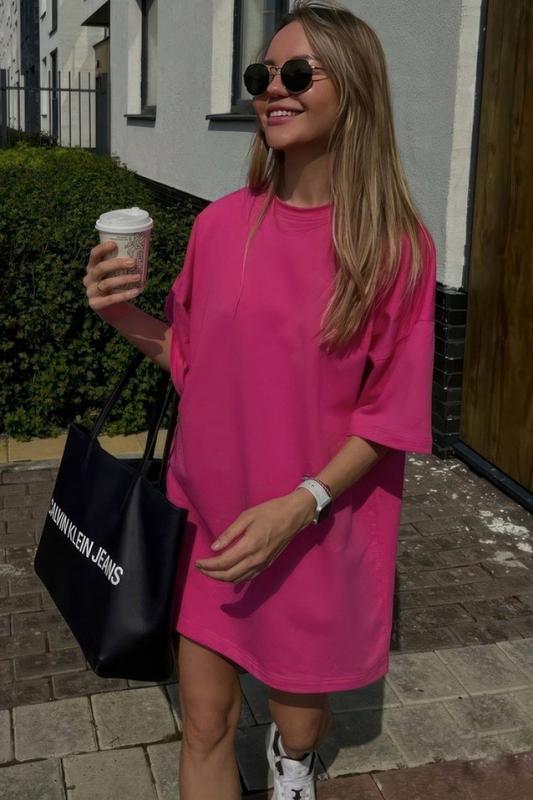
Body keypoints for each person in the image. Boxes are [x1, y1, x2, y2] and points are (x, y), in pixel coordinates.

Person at [83, 2, 437, 798]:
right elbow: (190, 362)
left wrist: (298, 505)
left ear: (354, 89)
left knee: (298, 723)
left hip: (313, 530)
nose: (272, 89)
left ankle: (292, 761)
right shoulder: (221, 226)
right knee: (205, 728)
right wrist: (118, 313)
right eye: (260, 75)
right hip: (210, 522)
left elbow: (388, 417)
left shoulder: (393, 250)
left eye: (297, 73)